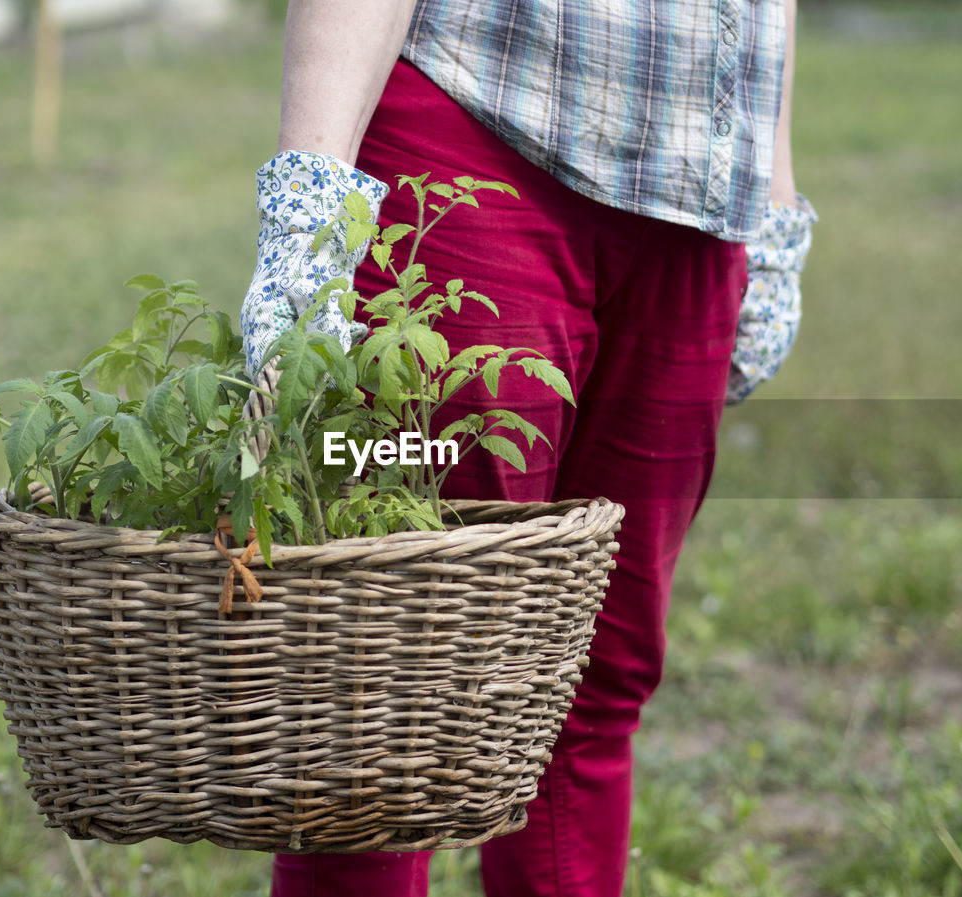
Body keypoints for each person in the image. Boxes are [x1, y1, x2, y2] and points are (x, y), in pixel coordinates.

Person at [239, 2, 817, 895]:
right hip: (479, 147)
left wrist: (774, 197)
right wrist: (310, 200)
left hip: (703, 210)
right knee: (396, 680)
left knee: (593, 676)